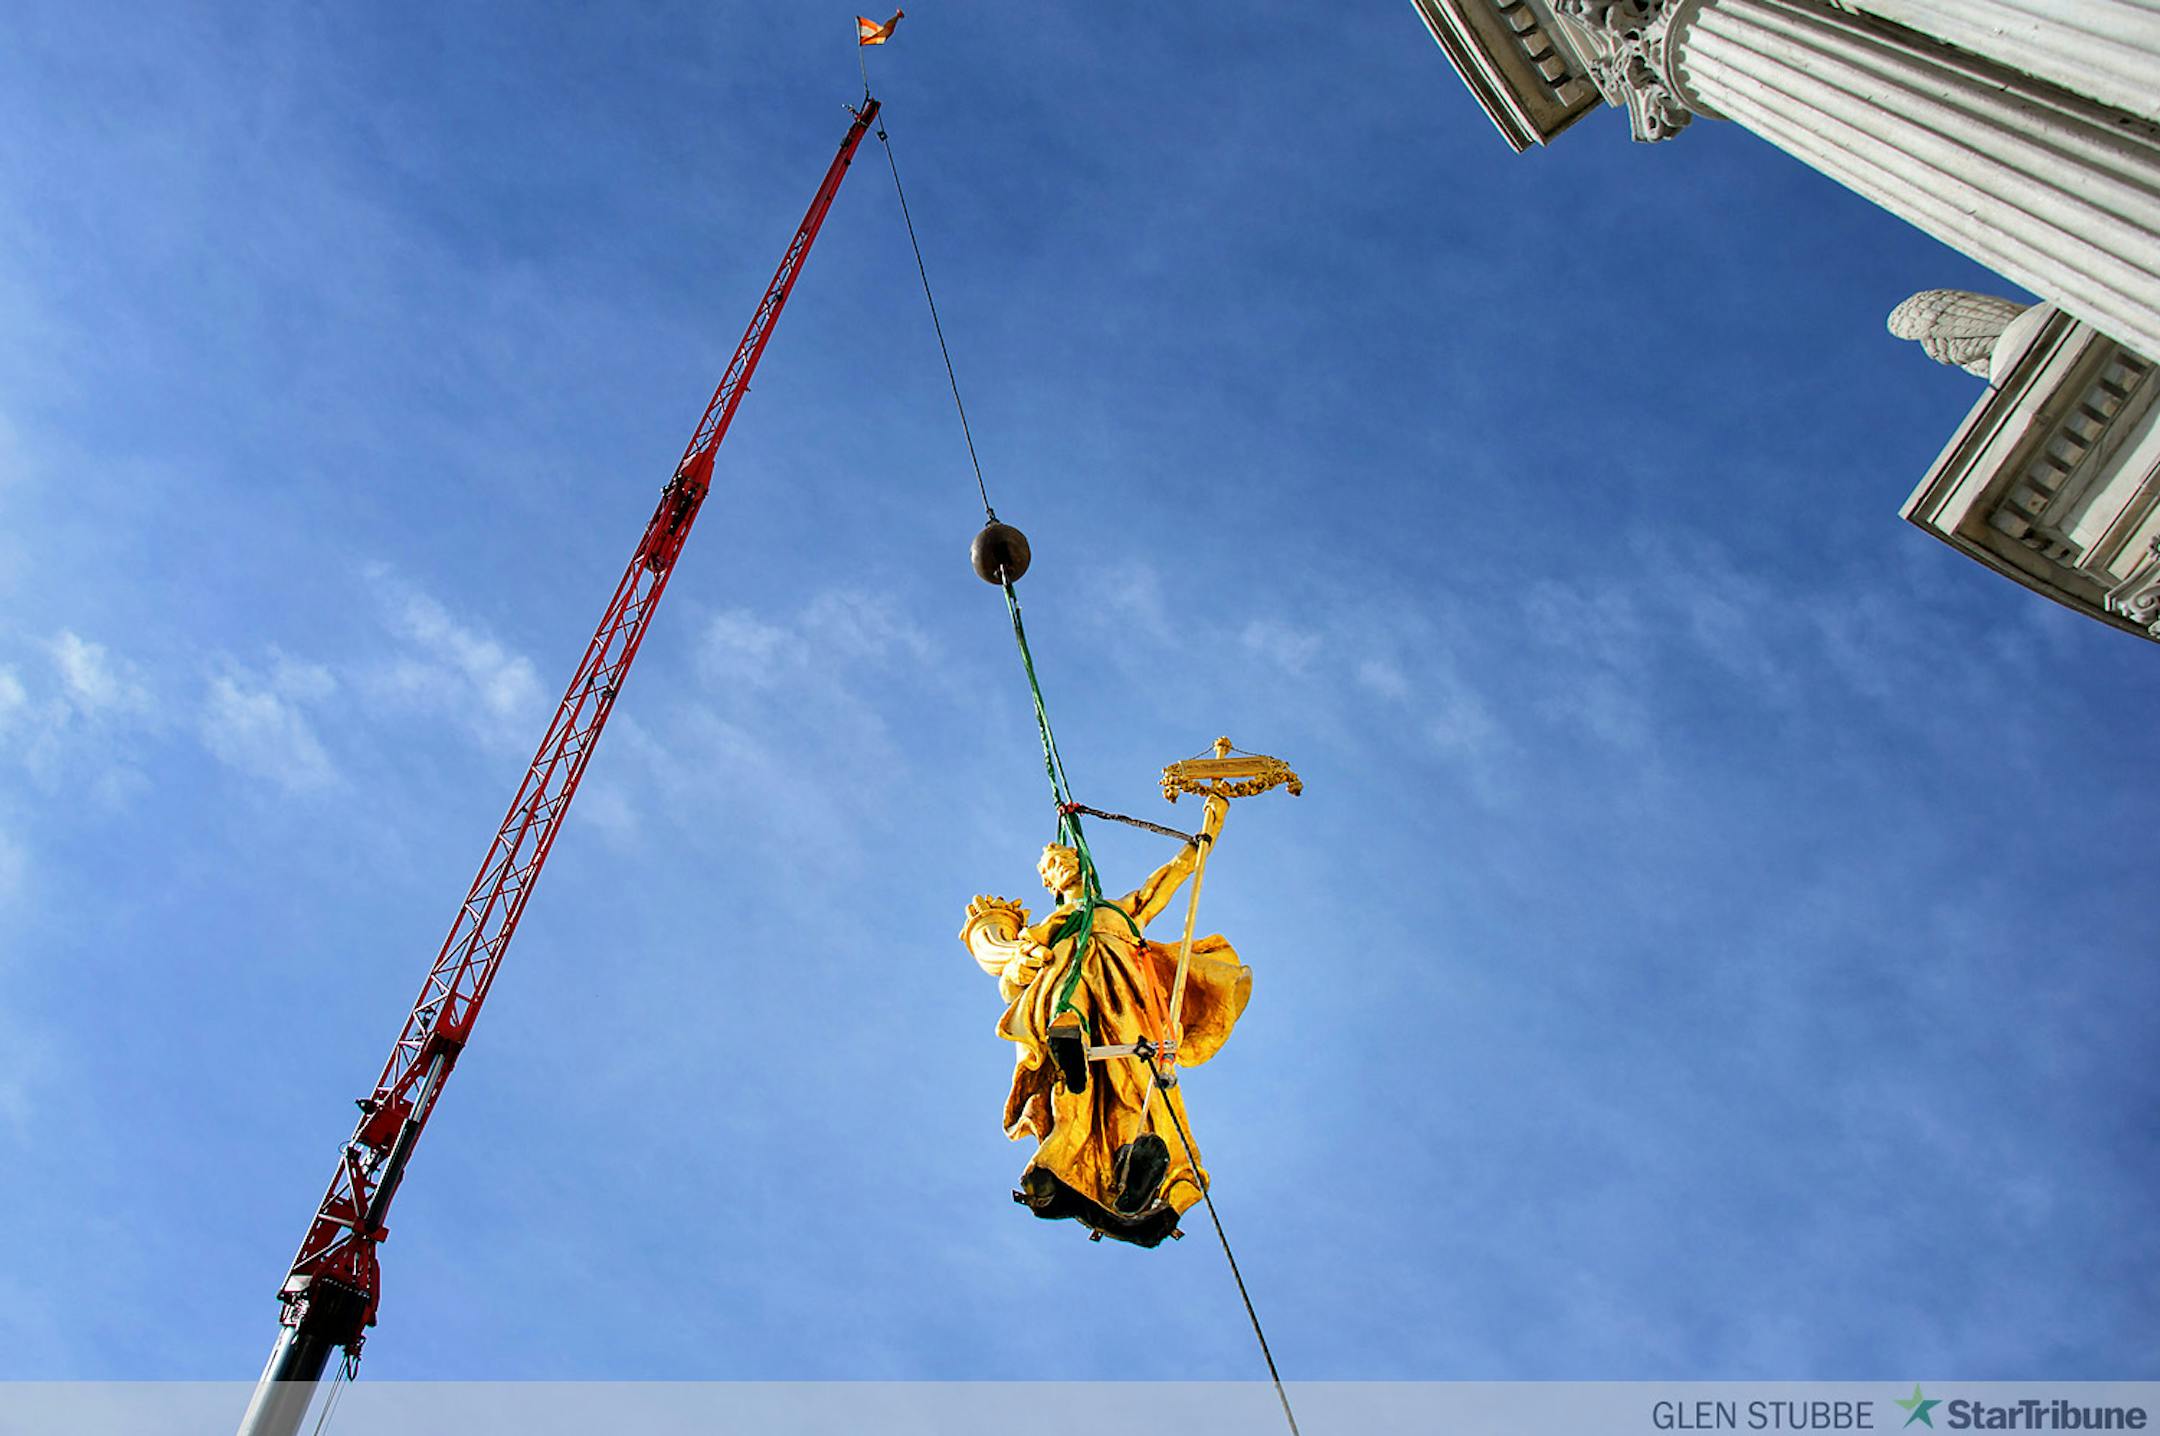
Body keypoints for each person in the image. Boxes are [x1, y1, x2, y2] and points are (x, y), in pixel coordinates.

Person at [960, 791, 1250, 1246]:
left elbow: (1168, 879)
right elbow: (1007, 969)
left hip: (1128, 1002)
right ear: (1051, 882)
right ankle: (1068, 1055)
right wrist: (1018, 961)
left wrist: (1209, 828)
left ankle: (1147, 1190)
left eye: (1065, 856)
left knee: (1141, 1085)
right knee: (1075, 1089)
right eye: (1053, 862)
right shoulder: (1051, 926)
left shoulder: (1117, 910)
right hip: (1073, 1003)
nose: (1063, 861)